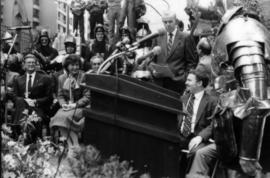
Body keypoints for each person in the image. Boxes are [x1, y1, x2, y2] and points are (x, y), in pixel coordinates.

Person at [178, 68, 218, 177]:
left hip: (197, 137)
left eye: (189, 80)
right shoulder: (182, 99)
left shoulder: (212, 101)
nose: (186, 82)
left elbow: (214, 123)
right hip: (180, 135)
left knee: (195, 152)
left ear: (199, 83)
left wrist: (200, 137)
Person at [150, 11, 197, 94]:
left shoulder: (186, 37)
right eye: (165, 22)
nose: (167, 24)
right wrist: (153, 71)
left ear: (176, 21)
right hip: (159, 83)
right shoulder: (157, 37)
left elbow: (192, 62)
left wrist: (185, 79)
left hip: (178, 84)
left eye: (170, 21)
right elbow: (151, 59)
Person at [50, 54, 90, 147]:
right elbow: (60, 95)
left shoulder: (84, 76)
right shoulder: (61, 78)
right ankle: (71, 144)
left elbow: (87, 97)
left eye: (77, 65)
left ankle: (75, 145)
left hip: (81, 106)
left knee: (66, 117)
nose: (75, 67)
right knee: (58, 117)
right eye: (72, 65)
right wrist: (63, 104)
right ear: (67, 66)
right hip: (67, 107)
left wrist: (74, 105)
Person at [13, 54, 52, 143]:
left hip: (38, 107)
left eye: (33, 63)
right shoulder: (18, 79)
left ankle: (33, 141)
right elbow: (15, 97)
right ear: (24, 65)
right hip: (23, 107)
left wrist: (35, 101)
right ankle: (21, 140)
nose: (31, 64)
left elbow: (49, 97)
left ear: (36, 64)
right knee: (21, 107)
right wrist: (25, 101)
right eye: (29, 63)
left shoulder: (45, 78)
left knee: (33, 118)